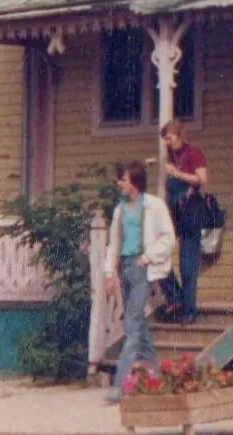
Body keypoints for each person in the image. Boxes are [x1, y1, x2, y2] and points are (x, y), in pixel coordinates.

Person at [103, 160, 175, 403]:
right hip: (124, 268)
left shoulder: (154, 206)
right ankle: (158, 377)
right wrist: (109, 273)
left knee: (132, 324)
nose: (119, 184)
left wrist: (148, 256)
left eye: (122, 179)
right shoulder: (120, 209)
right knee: (138, 327)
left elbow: (168, 238)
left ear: (133, 181)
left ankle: (119, 386)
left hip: (142, 268)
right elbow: (113, 243)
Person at [160, 118, 208, 323]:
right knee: (158, 255)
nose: (167, 143)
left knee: (187, 264)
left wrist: (177, 173)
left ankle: (188, 312)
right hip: (172, 211)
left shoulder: (194, 153)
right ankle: (177, 297)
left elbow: (202, 180)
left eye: (169, 139)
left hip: (190, 211)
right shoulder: (171, 155)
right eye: (165, 140)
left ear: (179, 136)